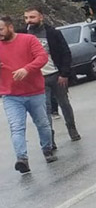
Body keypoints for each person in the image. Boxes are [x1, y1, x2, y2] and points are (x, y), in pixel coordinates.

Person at [0, 15, 55, 173]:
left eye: (1, 30)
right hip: (11, 95)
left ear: (10, 27)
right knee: (16, 127)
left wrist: (27, 69)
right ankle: (22, 159)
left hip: (35, 92)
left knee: (43, 123)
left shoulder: (28, 39)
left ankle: (47, 149)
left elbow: (42, 57)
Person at [23, 8, 80, 144]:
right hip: (38, 79)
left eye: (32, 17)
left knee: (64, 104)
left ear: (41, 17)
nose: (29, 20)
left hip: (56, 75)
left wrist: (64, 73)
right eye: (26, 18)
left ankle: (72, 130)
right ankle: (49, 140)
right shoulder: (23, 34)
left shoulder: (53, 33)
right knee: (45, 110)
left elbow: (66, 53)